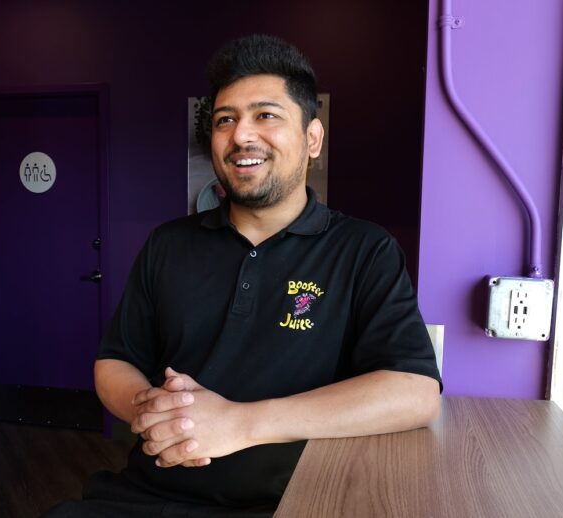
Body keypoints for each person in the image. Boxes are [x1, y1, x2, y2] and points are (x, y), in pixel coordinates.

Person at [45, 34, 441, 518]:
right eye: (224, 120)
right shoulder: (168, 244)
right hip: (149, 495)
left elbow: (414, 391)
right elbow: (114, 363)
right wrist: (162, 414)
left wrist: (240, 423)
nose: (241, 136)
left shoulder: (363, 250)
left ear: (312, 137)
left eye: (266, 115)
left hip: (290, 503)